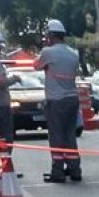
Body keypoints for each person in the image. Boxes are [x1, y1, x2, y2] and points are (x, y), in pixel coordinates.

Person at [34, 20, 83, 182]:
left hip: (56, 100)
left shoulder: (48, 52)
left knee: (56, 136)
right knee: (70, 135)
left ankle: (58, 172)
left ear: (52, 35)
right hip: (72, 99)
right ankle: (74, 169)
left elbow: (36, 65)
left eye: (48, 35)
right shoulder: (73, 53)